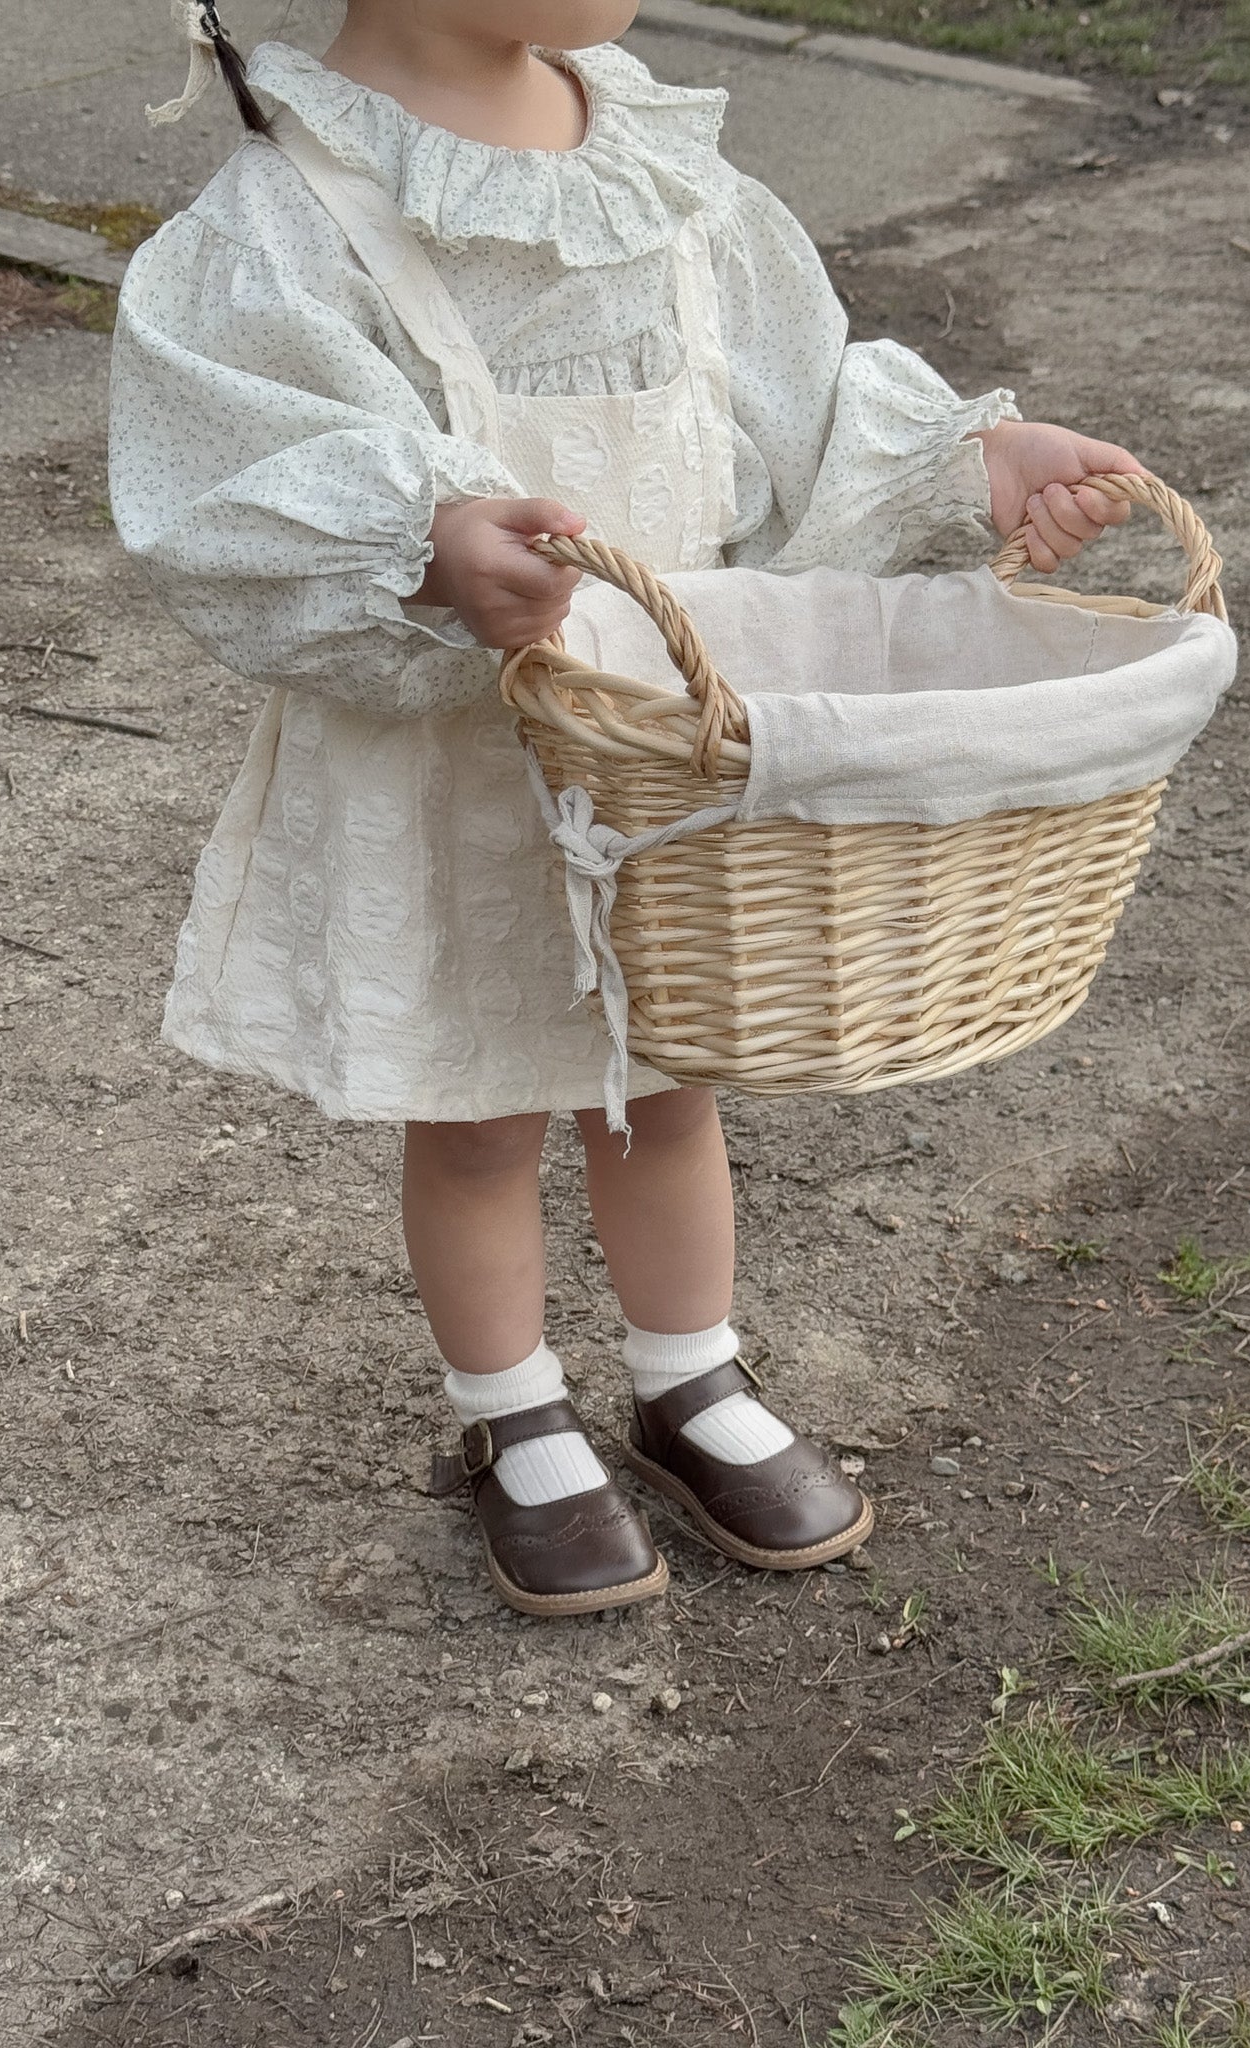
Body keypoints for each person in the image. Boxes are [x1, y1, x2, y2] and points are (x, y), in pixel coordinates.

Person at [109, 0, 1144, 1617]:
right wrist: (423, 541)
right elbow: (235, 472)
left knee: (668, 1075)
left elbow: (787, 403)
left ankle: (689, 1378)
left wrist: (970, 462)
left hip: (665, 743)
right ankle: (511, 1415)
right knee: (477, 1105)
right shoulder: (288, 211)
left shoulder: (658, 163)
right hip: (459, 748)